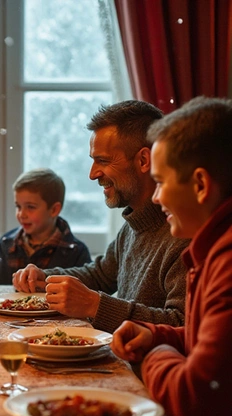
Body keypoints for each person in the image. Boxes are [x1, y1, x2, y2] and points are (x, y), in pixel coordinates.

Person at [111, 97, 232, 416]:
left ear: (199, 185)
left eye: (161, 182)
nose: (158, 197)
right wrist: (154, 334)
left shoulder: (226, 258)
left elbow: (198, 402)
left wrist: (154, 353)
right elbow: (205, 341)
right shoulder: (210, 246)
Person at [14, 100, 189, 333]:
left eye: (103, 161)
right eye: (93, 160)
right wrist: (44, 278)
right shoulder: (133, 226)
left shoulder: (183, 232)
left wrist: (95, 305)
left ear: (144, 161)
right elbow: (99, 275)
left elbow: (182, 326)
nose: (92, 174)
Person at [0, 168, 91, 285]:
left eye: (30, 207)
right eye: (18, 206)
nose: (21, 214)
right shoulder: (7, 243)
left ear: (54, 210)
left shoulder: (76, 252)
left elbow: (83, 294)